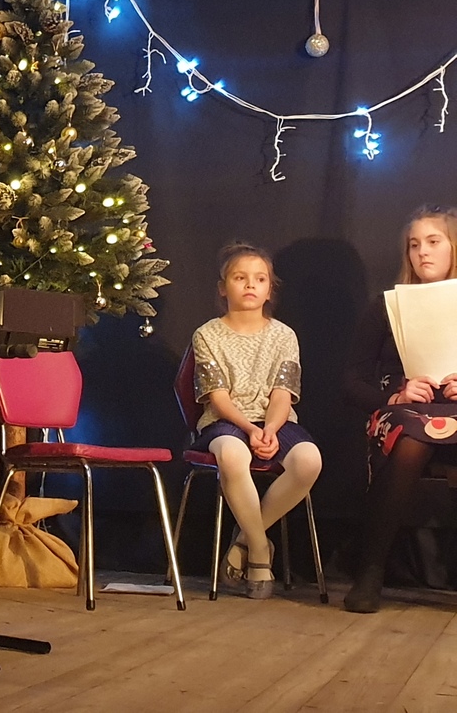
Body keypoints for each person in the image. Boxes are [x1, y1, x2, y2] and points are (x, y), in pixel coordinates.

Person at [189, 242, 323, 599]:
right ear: (223, 287)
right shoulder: (207, 334)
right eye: (240, 278)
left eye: (260, 279)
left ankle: (245, 539)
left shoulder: (284, 335)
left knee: (309, 460)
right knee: (232, 454)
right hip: (227, 420)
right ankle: (261, 553)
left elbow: (283, 393)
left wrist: (271, 429)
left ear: (269, 289)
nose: (250, 285)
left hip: (275, 421)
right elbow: (218, 397)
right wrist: (249, 428)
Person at [342, 204, 457, 613]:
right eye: (414, 244)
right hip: (403, 411)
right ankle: (371, 571)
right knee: (410, 437)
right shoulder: (386, 307)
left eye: (433, 241)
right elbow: (352, 381)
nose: (422, 252)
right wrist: (395, 397)